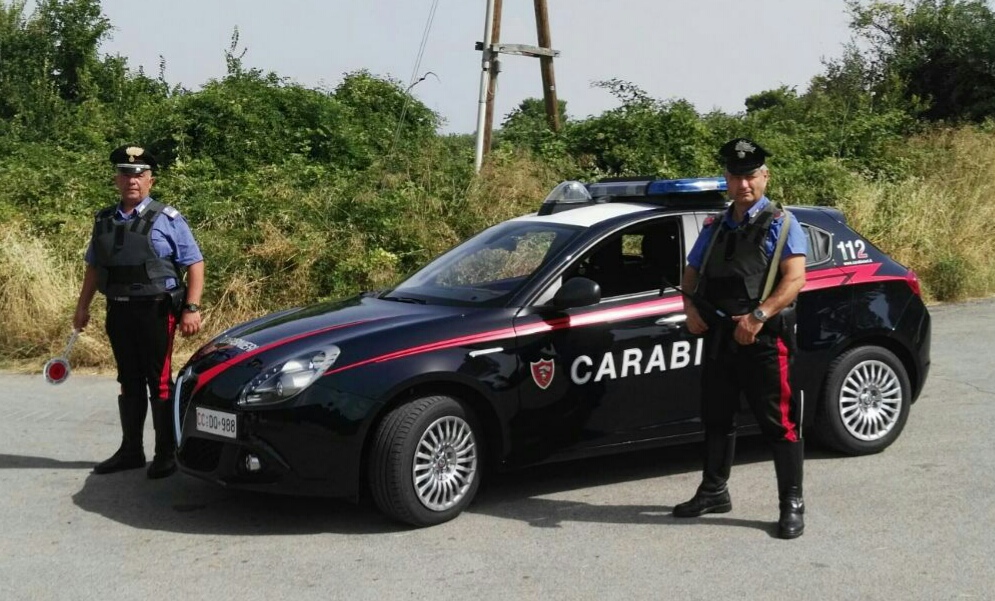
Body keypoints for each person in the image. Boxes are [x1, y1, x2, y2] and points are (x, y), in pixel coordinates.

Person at [674, 138, 808, 539]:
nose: (743, 185)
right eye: (735, 177)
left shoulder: (783, 224)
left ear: (764, 176)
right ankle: (714, 491)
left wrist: (758, 316)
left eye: (750, 176)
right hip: (719, 337)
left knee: (780, 424)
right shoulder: (715, 227)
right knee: (716, 417)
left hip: (765, 340)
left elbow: (795, 279)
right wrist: (691, 309)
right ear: (726, 180)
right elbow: (691, 272)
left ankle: (792, 505)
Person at [72, 145, 205, 479]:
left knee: (159, 382)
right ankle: (131, 451)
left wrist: (191, 308)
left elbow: (195, 263)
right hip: (118, 309)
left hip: (156, 311)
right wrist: (82, 307)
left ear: (151, 180)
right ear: (117, 179)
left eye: (140, 175)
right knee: (127, 380)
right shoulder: (104, 220)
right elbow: (93, 267)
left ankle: (165, 455)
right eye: (126, 174)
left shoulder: (167, 218)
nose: (133, 180)